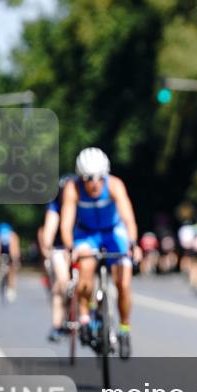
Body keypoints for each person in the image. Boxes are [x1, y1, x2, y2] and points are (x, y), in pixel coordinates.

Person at [60, 147, 141, 359]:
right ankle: (85, 317)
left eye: (98, 177)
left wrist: (133, 243)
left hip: (114, 232)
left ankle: (124, 329)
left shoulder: (115, 185)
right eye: (88, 178)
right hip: (86, 234)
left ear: (105, 174)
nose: (94, 182)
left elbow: (128, 217)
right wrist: (70, 248)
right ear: (80, 177)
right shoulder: (73, 189)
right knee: (85, 271)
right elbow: (66, 223)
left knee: (123, 282)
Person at [39, 174, 75, 341]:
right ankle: (57, 324)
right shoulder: (55, 206)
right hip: (60, 248)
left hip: (81, 247)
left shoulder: (82, 202)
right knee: (61, 282)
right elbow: (49, 228)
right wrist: (47, 246)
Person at [0, 222, 20, 302]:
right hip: (0, 251)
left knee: (12, 268)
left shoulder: (13, 236)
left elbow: (15, 251)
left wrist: (15, 260)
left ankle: (11, 286)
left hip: (9, 251)